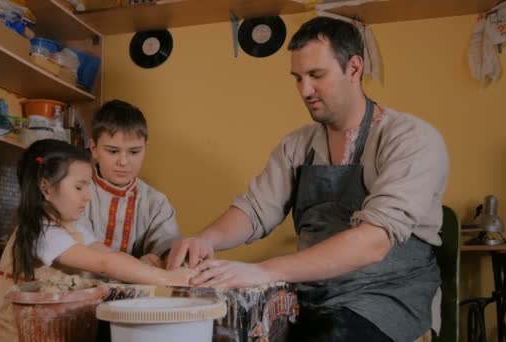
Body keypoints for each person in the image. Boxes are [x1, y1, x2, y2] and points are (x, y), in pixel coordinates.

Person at [166, 16, 449, 342]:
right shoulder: (296, 145)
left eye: (316, 75)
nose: (304, 90)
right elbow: (256, 209)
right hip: (309, 293)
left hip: (387, 295)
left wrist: (264, 270)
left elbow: (374, 242)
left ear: (354, 69)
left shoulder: (412, 139)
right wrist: (207, 239)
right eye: (297, 78)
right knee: (218, 327)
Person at [0, 139, 194, 342]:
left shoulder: (73, 226)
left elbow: (106, 254)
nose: (87, 196)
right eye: (79, 187)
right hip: (7, 335)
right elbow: (104, 265)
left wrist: (145, 267)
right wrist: (167, 279)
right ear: (46, 187)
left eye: (88, 186)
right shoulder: (41, 231)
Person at [78, 99, 181, 267]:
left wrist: (166, 258)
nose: (124, 162)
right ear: (94, 148)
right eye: (112, 151)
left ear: (145, 148)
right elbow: (78, 246)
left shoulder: (156, 202)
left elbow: (169, 246)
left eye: (134, 152)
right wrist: (139, 264)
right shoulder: (77, 193)